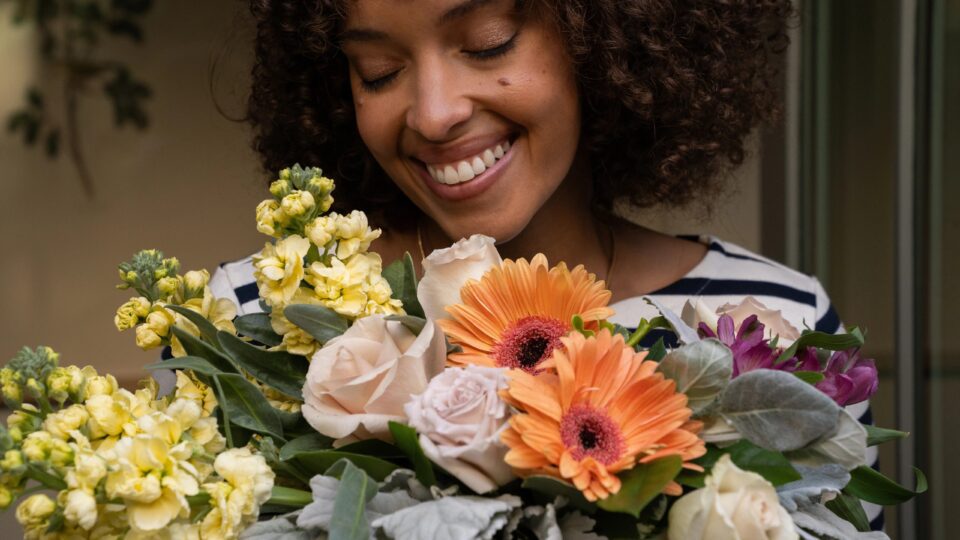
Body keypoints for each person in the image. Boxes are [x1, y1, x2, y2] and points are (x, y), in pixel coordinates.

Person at [209, 0, 881, 529]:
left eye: (488, 41)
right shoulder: (247, 321)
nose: (435, 113)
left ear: (604, 40)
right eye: (378, 71)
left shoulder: (778, 325)